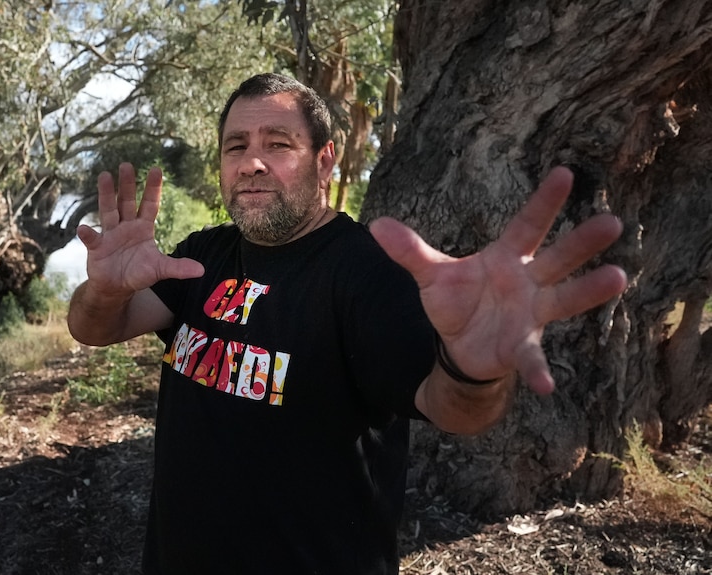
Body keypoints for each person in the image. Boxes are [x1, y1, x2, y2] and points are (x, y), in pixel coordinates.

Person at [67, 73, 627, 575]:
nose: (252, 162)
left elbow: (449, 406)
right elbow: (95, 328)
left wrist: (473, 369)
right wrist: (103, 289)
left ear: (325, 160)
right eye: (235, 146)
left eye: (278, 145)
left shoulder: (366, 274)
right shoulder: (202, 255)